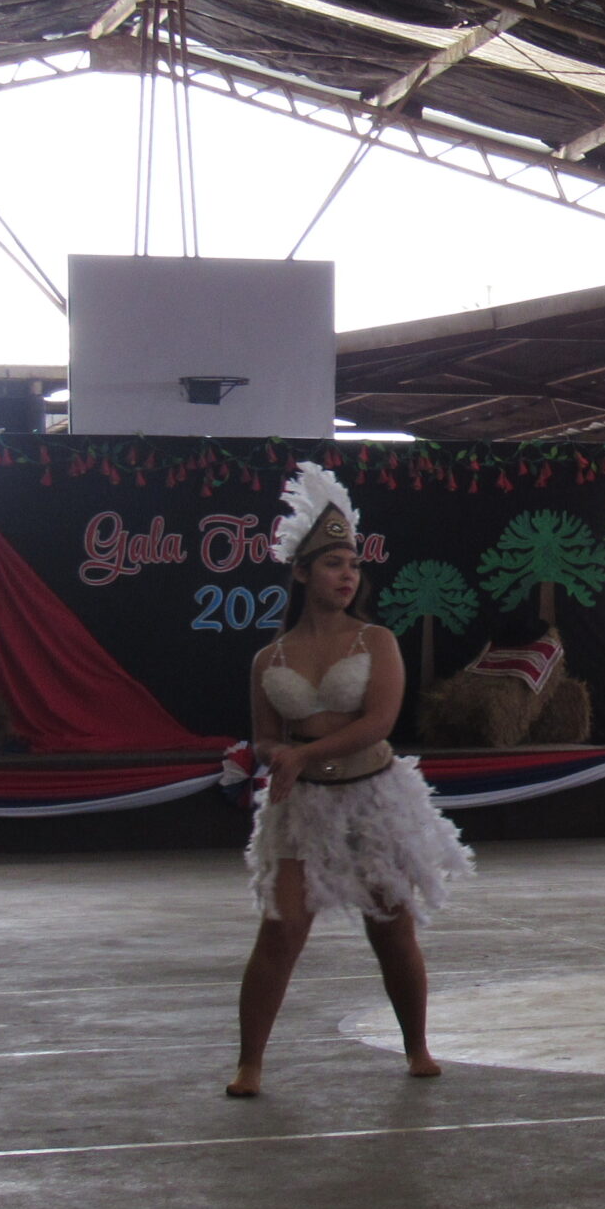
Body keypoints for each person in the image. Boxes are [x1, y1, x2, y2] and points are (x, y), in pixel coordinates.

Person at [229, 465, 471, 1098]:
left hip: (373, 797)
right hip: (302, 805)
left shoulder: (377, 640)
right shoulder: (269, 657)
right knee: (280, 929)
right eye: (333, 564)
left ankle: (417, 1047)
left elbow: (379, 722)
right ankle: (249, 1063)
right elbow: (264, 735)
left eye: (354, 566)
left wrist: (304, 754)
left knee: (390, 926)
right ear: (302, 572)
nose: (347, 576)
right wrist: (280, 755)